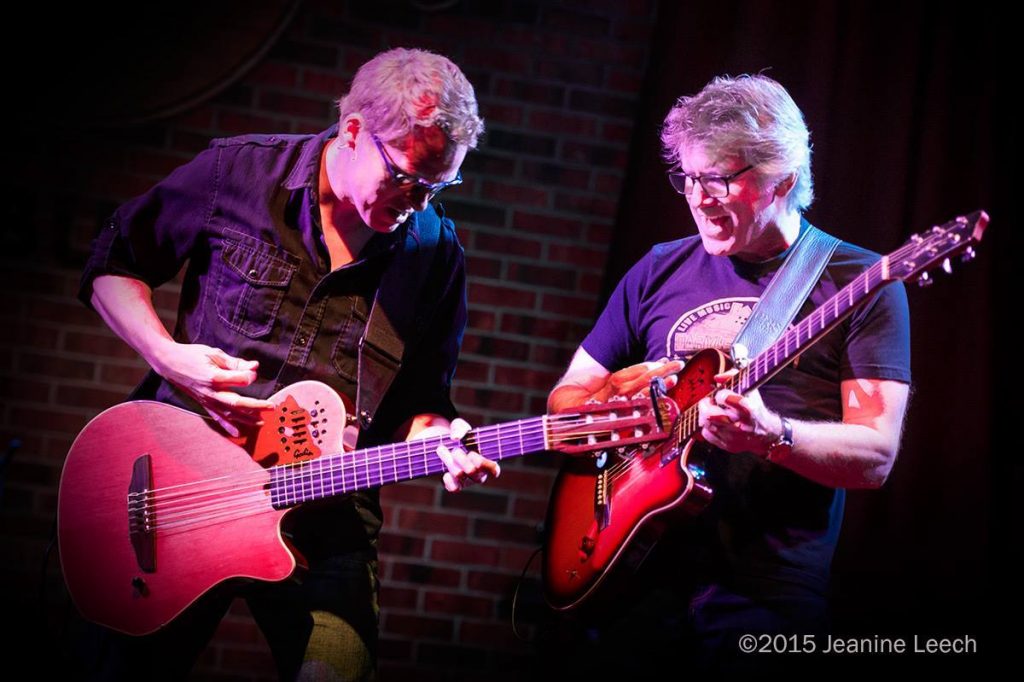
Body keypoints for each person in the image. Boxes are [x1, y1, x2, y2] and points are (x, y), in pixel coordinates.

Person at [76, 47, 498, 680]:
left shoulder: (435, 255)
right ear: (353, 130)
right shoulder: (239, 174)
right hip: (183, 493)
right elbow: (113, 265)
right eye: (407, 177)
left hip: (325, 519)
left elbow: (422, 403)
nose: (419, 200)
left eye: (440, 186)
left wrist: (441, 440)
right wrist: (169, 356)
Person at [547, 74, 911, 672]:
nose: (699, 197)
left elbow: (876, 455)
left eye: (721, 179)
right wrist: (616, 394)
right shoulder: (658, 268)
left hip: (764, 595)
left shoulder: (861, 283)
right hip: (629, 575)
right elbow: (565, 406)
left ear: (784, 182)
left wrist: (773, 436)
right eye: (689, 177)